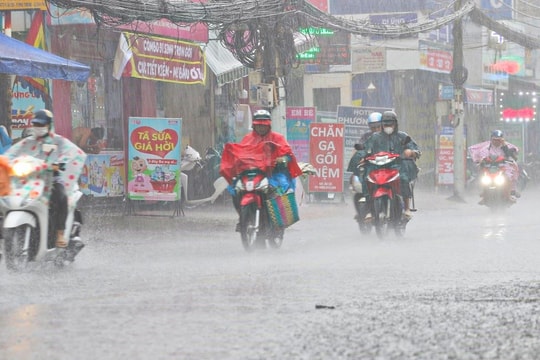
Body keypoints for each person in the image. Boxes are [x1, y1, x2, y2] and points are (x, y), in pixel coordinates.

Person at [5, 109, 87, 248]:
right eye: (36, 124)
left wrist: (60, 163)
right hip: (30, 180)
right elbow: (11, 154)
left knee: (60, 196)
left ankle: (60, 233)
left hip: (52, 179)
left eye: (41, 125)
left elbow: (74, 153)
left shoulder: (59, 141)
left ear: (49, 125)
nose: (38, 127)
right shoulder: (27, 142)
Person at [220, 109, 303, 230]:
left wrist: (282, 160)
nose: (261, 128)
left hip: (272, 174)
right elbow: (240, 153)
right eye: (258, 125)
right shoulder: (248, 139)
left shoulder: (277, 138)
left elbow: (287, 153)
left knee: (276, 190)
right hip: (252, 173)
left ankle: (275, 220)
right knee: (234, 189)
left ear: (269, 125)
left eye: (264, 125)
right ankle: (243, 218)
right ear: (254, 125)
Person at [362, 110, 421, 219]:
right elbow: (365, 148)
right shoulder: (375, 137)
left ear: (395, 124)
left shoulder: (402, 136)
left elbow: (415, 149)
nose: (388, 126)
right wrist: (362, 156)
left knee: (403, 178)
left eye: (390, 124)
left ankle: (407, 208)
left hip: (397, 167)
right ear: (382, 125)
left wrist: (411, 152)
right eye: (385, 124)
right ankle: (369, 209)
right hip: (379, 167)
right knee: (367, 178)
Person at [347, 112, 383, 219]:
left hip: (384, 168)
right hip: (370, 168)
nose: (376, 129)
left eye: (378, 126)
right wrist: (355, 159)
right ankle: (363, 211)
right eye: (373, 127)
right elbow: (357, 150)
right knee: (356, 180)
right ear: (369, 127)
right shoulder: (366, 137)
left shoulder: (387, 136)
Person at [468, 129, 520, 202]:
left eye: (498, 140)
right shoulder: (486, 148)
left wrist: (504, 146)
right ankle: (485, 194)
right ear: (491, 139)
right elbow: (482, 158)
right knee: (483, 176)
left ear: (502, 140)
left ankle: (509, 194)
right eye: (494, 140)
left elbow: (510, 156)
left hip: (504, 166)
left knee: (509, 176)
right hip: (490, 167)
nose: (496, 141)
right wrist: (481, 162)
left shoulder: (507, 146)